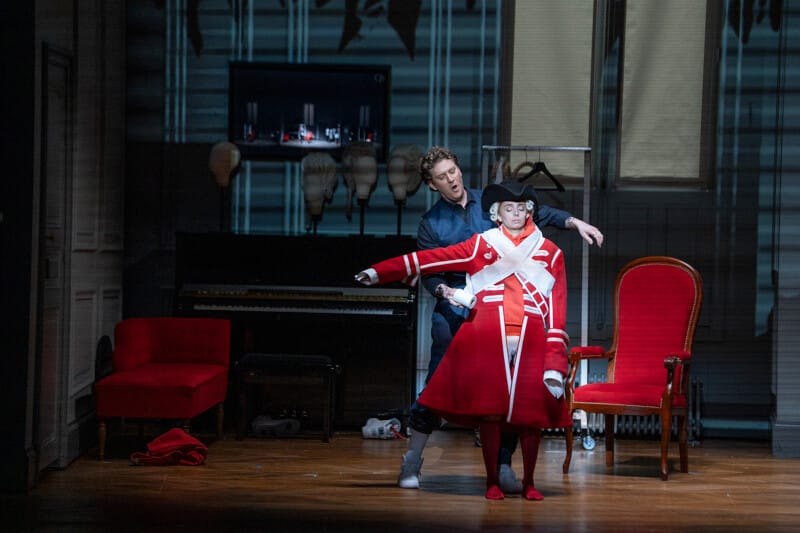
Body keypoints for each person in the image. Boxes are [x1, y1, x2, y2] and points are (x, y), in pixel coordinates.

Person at [399, 146, 602, 493]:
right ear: (432, 185)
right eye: (442, 177)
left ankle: (503, 464)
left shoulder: (490, 201)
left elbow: (541, 213)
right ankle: (413, 459)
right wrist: (444, 291)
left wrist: (574, 221)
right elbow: (430, 272)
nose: (451, 180)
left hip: (501, 313)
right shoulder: (431, 224)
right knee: (435, 385)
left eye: (453, 171)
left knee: (509, 389)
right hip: (455, 312)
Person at [355, 180, 572, 500]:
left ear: (529, 212)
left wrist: (555, 361)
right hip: (485, 339)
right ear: (497, 214)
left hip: (531, 342)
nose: (515, 214)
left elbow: (558, 308)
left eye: (521, 208)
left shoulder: (551, 253)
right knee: (485, 409)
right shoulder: (480, 245)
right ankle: (476, 477)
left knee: (528, 415)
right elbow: (431, 260)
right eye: (508, 208)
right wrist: (380, 272)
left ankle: (524, 480)